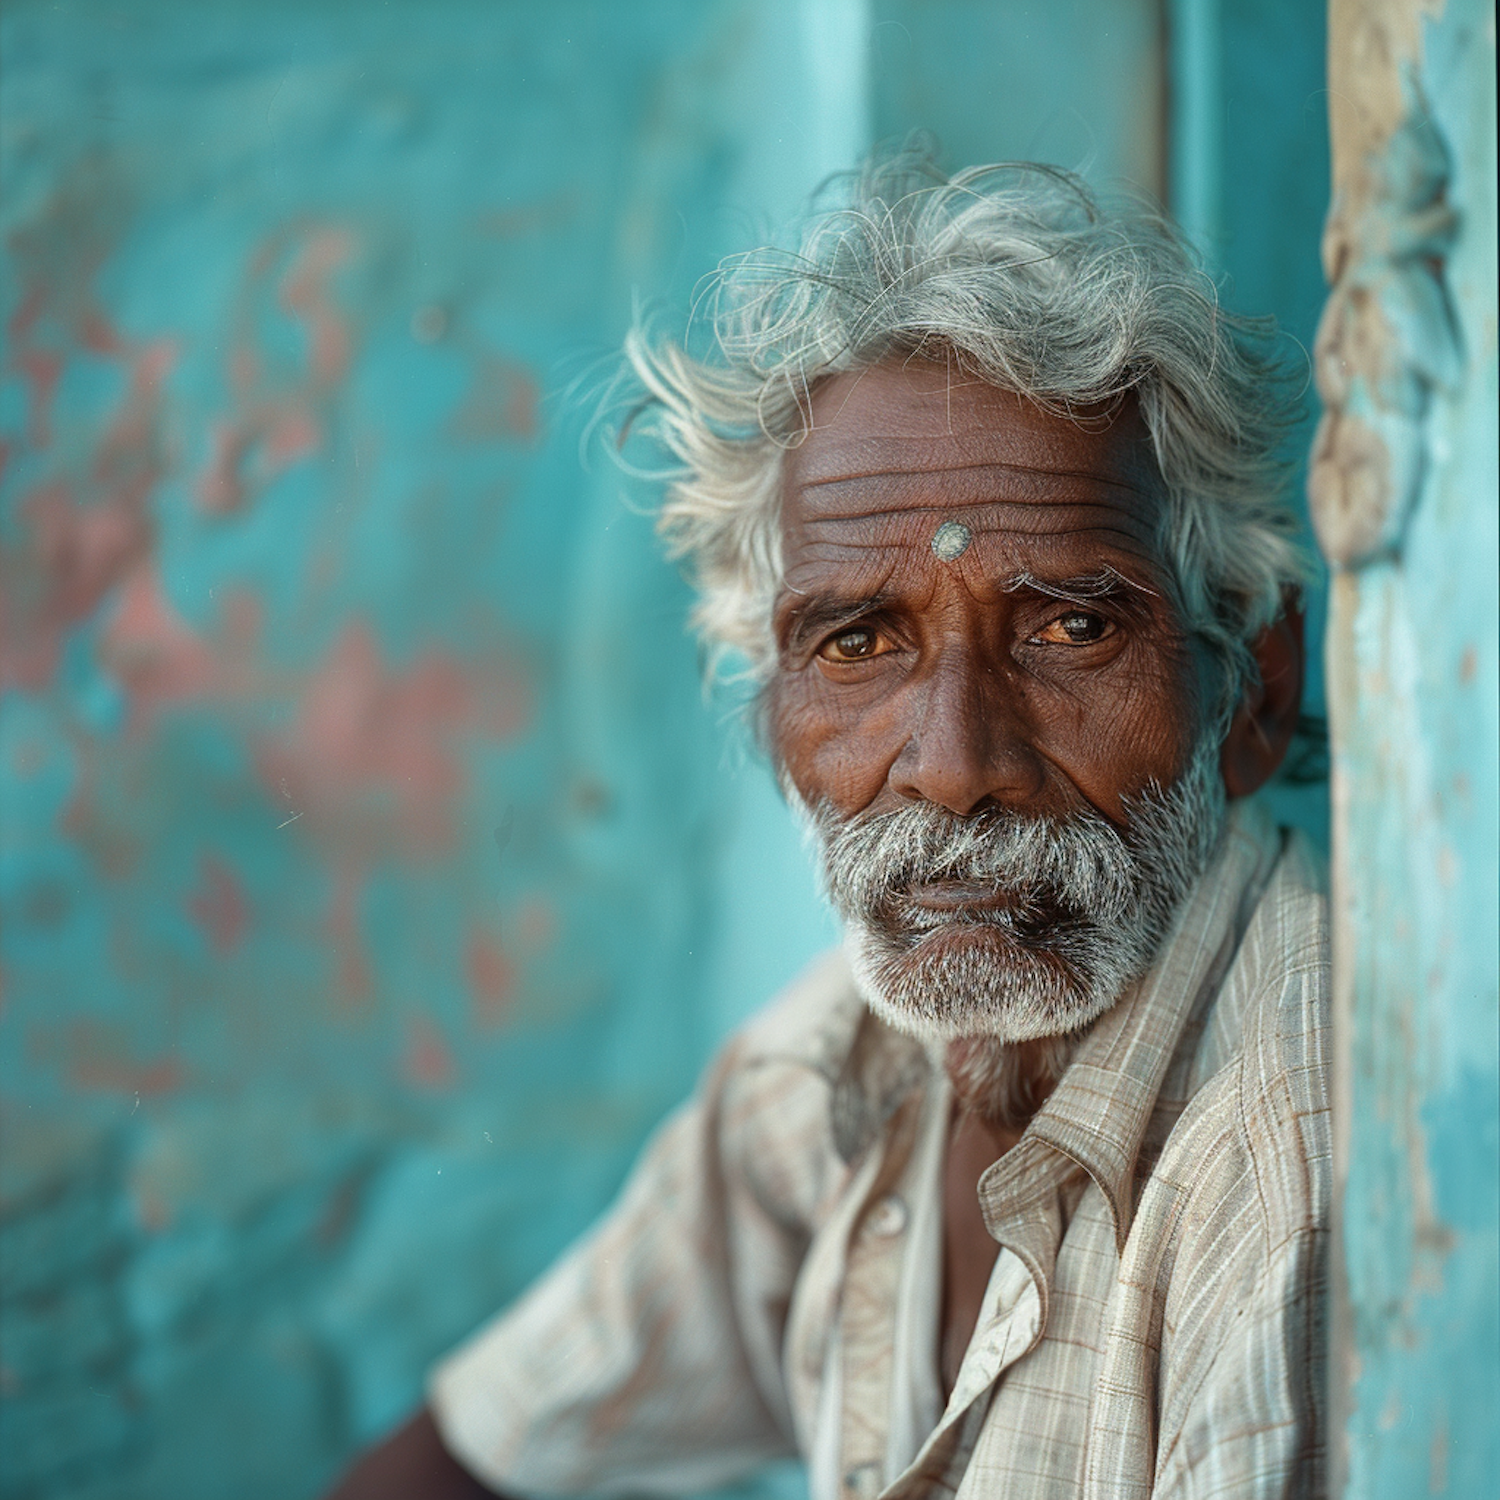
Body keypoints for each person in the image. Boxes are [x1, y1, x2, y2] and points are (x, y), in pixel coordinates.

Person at [328, 152, 1328, 1500]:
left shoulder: (1301, 1166)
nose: (956, 768)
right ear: (766, 707)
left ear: (1252, 693)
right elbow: (480, 1451)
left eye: (1074, 628)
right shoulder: (831, 1074)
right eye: (858, 642)